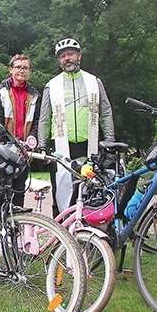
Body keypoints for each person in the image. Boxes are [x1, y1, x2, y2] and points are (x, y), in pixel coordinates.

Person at [38, 38, 115, 217]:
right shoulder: (51, 85)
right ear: (59, 60)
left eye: (71, 54)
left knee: (91, 189)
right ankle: (60, 233)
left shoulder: (94, 82)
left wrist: (110, 141)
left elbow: (106, 112)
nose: (67, 58)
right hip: (61, 147)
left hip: (90, 144)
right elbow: (44, 118)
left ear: (79, 56)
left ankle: (89, 231)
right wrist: (42, 146)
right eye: (63, 56)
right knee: (62, 192)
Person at [0, 54, 40, 208]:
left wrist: (32, 138)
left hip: (24, 150)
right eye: (18, 67)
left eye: (25, 68)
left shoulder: (34, 94)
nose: (21, 71)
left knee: (19, 191)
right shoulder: (0, 92)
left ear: (29, 71)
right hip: (3, 150)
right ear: (10, 69)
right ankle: (0, 227)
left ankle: (16, 229)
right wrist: (10, 141)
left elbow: (37, 121)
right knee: (3, 191)